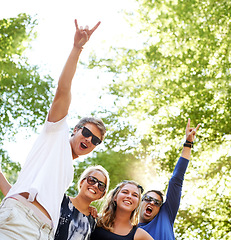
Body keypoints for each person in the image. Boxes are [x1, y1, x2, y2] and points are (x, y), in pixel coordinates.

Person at [0, 18, 105, 240]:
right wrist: (77, 48)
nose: (89, 139)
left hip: (44, 232)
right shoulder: (56, 133)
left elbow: (18, 190)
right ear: (75, 129)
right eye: (86, 132)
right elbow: (63, 89)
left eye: (95, 141)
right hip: (21, 221)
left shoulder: (65, 169)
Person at [0, 164, 110, 240]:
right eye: (92, 180)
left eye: (101, 185)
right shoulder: (57, 200)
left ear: (102, 194)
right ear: (82, 182)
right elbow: (18, 197)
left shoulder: (95, 221)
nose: (95, 185)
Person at [138, 118, 200, 240]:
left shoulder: (165, 215)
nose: (151, 203)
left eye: (157, 203)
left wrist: (188, 144)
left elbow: (176, 180)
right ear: (140, 202)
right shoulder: (129, 230)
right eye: (148, 199)